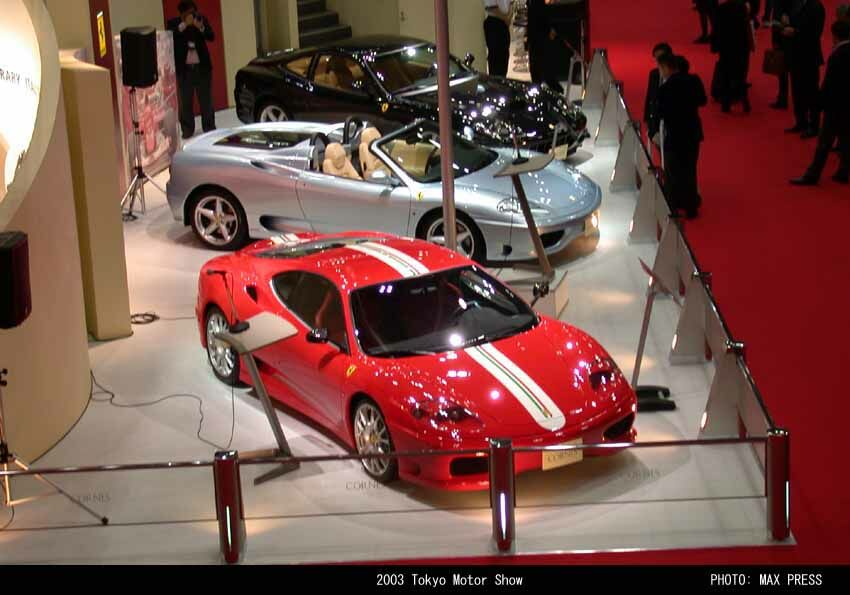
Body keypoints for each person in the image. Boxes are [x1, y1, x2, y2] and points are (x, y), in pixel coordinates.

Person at [790, 20, 850, 185]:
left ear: (835, 35)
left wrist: (819, 102)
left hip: (835, 106)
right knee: (846, 138)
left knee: (824, 142)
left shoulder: (837, 54)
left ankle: (812, 174)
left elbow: (830, 82)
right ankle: (844, 170)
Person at [657, 54, 708, 218]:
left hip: (675, 134)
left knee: (673, 172)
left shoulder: (665, 88)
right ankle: (691, 206)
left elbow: (661, 112)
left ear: (666, 67)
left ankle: (673, 207)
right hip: (692, 132)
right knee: (690, 170)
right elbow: (703, 100)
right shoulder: (693, 81)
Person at [168, 0, 216, 139]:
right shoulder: (174, 23)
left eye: (194, 12)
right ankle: (187, 129)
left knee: (206, 100)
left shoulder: (200, 20)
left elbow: (211, 36)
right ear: (182, 14)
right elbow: (170, 36)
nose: (192, 15)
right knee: (186, 102)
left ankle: (209, 127)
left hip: (202, 69)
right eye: (189, 13)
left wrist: (200, 27)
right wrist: (184, 25)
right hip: (185, 70)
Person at [784, 0, 826, 139]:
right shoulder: (796, 4)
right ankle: (801, 122)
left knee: (811, 92)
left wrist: (795, 32)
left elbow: (815, 32)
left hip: (809, 57)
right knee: (797, 91)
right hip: (795, 55)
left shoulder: (816, 6)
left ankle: (814, 126)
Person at [711, 0, 753, 113]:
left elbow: (715, 28)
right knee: (741, 73)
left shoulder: (720, 9)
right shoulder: (743, 8)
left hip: (725, 47)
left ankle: (726, 103)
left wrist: (714, 46)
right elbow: (750, 26)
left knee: (725, 74)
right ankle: (743, 99)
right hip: (741, 47)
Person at [644, 42, 673, 144]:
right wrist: (648, 119)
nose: (658, 61)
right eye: (656, 58)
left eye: (660, 58)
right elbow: (650, 96)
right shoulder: (654, 74)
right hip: (656, 124)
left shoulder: (677, 77)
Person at [483, 0, 512, 77]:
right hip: (494, 23)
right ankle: (495, 85)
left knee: (504, 57)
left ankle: (502, 82)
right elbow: (490, 8)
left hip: (504, 24)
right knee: (496, 60)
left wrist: (509, 16)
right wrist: (505, 18)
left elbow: (511, 4)